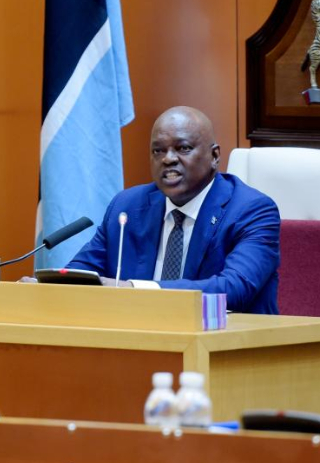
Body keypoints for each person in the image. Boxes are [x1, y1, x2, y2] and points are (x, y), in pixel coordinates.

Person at [66, 106, 280, 314]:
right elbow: (80, 274)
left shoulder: (251, 210)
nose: (168, 159)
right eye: (158, 151)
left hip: (224, 334)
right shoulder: (127, 206)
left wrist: (134, 289)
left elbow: (234, 288)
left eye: (183, 148)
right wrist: (52, 282)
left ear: (214, 156)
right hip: (137, 333)